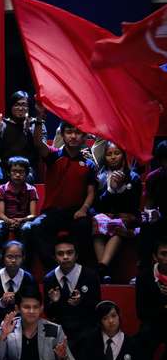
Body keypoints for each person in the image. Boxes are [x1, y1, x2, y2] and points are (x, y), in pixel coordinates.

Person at [30, 120, 96, 269]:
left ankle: (82, 270)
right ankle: (54, 268)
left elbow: (91, 192)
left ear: (85, 137)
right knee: (35, 227)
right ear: (63, 135)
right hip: (52, 212)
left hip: (75, 212)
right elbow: (38, 143)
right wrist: (39, 119)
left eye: (78, 133)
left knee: (85, 225)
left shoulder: (89, 164)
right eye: (69, 132)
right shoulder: (53, 155)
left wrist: (84, 209)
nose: (73, 136)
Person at [0, 91, 45, 198]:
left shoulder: (35, 124)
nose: (20, 108)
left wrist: (28, 132)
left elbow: (41, 150)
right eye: (17, 105)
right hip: (5, 169)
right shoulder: (3, 124)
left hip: (27, 170)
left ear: (28, 107)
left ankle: (24, 213)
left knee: (28, 178)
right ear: (11, 107)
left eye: (24, 105)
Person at [93, 142, 142, 282]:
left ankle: (102, 269)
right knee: (97, 223)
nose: (113, 157)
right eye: (109, 154)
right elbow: (98, 205)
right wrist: (111, 190)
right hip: (105, 217)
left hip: (127, 218)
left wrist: (120, 189)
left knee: (118, 224)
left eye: (116, 153)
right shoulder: (101, 177)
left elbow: (133, 206)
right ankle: (104, 271)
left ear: (123, 155)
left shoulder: (133, 177)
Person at [42, 235, 100, 352]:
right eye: (60, 253)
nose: (65, 257)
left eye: (69, 253)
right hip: (60, 327)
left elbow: (96, 307)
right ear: (55, 257)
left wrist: (80, 302)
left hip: (85, 326)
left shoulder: (90, 275)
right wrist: (54, 302)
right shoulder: (49, 279)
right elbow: (48, 313)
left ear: (76, 255)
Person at [77, 301, 142, 360]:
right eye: (105, 318)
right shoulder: (90, 342)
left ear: (119, 317)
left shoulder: (131, 343)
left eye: (114, 316)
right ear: (100, 322)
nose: (111, 321)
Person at [0, 156, 38, 263]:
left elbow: (33, 215)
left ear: (26, 173)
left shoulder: (31, 189)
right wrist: (10, 221)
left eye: (21, 172)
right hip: (6, 220)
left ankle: (25, 266)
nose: (17, 174)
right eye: (14, 171)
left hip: (24, 221)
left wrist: (20, 220)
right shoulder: (2, 189)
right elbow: (1, 214)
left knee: (27, 229)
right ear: (8, 173)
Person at [135, 235, 167, 360]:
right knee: (144, 338)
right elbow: (141, 312)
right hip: (153, 324)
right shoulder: (145, 277)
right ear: (155, 257)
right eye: (164, 254)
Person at [0, 240, 37, 323]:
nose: (13, 260)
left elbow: (35, 307)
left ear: (23, 258)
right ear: (3, 257)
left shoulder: (29, 279)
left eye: (18, 257)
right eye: (9, 257)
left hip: (23, 324)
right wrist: (1, 303)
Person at [139, 140, 167, 269]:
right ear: (161, 161)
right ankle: (144, 269)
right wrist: (151, 213)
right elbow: (149, 205)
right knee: (146, 225)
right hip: (162, 218)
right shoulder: (153, 178)